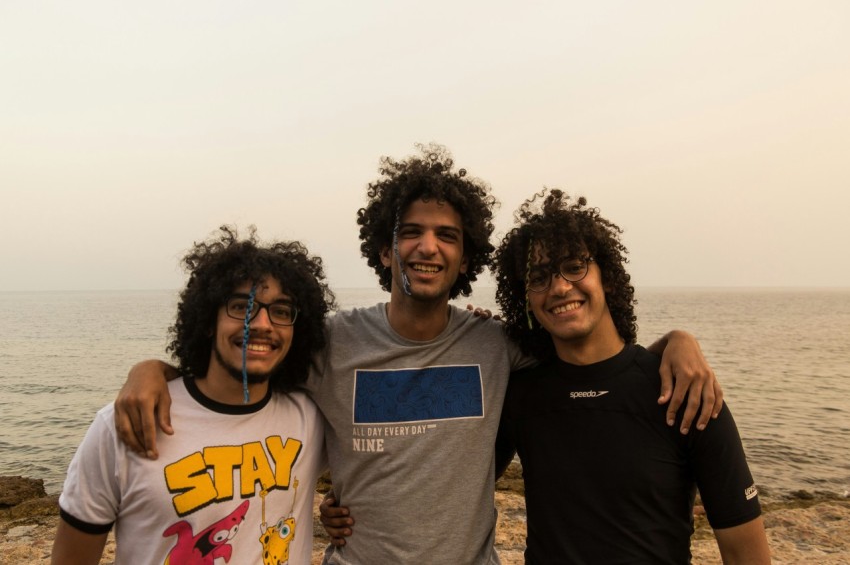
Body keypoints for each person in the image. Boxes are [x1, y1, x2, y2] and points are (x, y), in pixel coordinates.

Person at [113, 145, 722, 564]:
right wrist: (155, 373)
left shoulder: (497, 343)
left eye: (447, 236)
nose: (428, 247)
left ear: (465, 257)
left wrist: (676, 344)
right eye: (411, 232)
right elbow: (243, 362)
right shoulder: (330, 342)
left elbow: (593, 353)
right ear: (384, 249)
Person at [492, 190, 771, 564]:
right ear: (525, 299)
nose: (559, 287)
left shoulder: (683, 391)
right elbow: (454, 482)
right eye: (539, 277)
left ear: (605, 276)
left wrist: (680, 338)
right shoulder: (519, 395)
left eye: (574, 267)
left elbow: (745, 553)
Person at [51, 226, 334, 565]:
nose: (261, 324)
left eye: (282, 311)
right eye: (241, 306)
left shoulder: (310, 417)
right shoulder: (125, 422)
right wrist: (149, 369)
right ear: (207, 320)